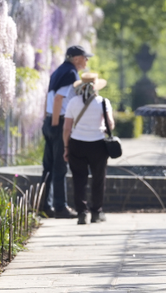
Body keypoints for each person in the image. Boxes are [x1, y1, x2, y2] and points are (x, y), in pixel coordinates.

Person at [41, 45, 92, 219]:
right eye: (85, 58)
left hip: (48, 120)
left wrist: (48, 122)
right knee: (59, 167)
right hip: (57, 122)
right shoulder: (70, 73)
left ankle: (44, 206)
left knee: (48, 167)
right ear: (77, 58)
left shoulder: (58, 71)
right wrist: (56, 125)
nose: (86, 61)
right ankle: (60, 207)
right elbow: (58, 98)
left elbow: (50, 98)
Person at [63, 72, 114, 225]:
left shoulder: (73, 102)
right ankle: (97, 213)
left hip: (77, 144)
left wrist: (66, 147)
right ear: (96, 87)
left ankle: (81, 214)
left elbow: (66, 128)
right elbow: (110, 124)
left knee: (79, 179)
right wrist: (103, 128)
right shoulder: (103, 102)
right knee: (98, 179)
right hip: (98, 144)